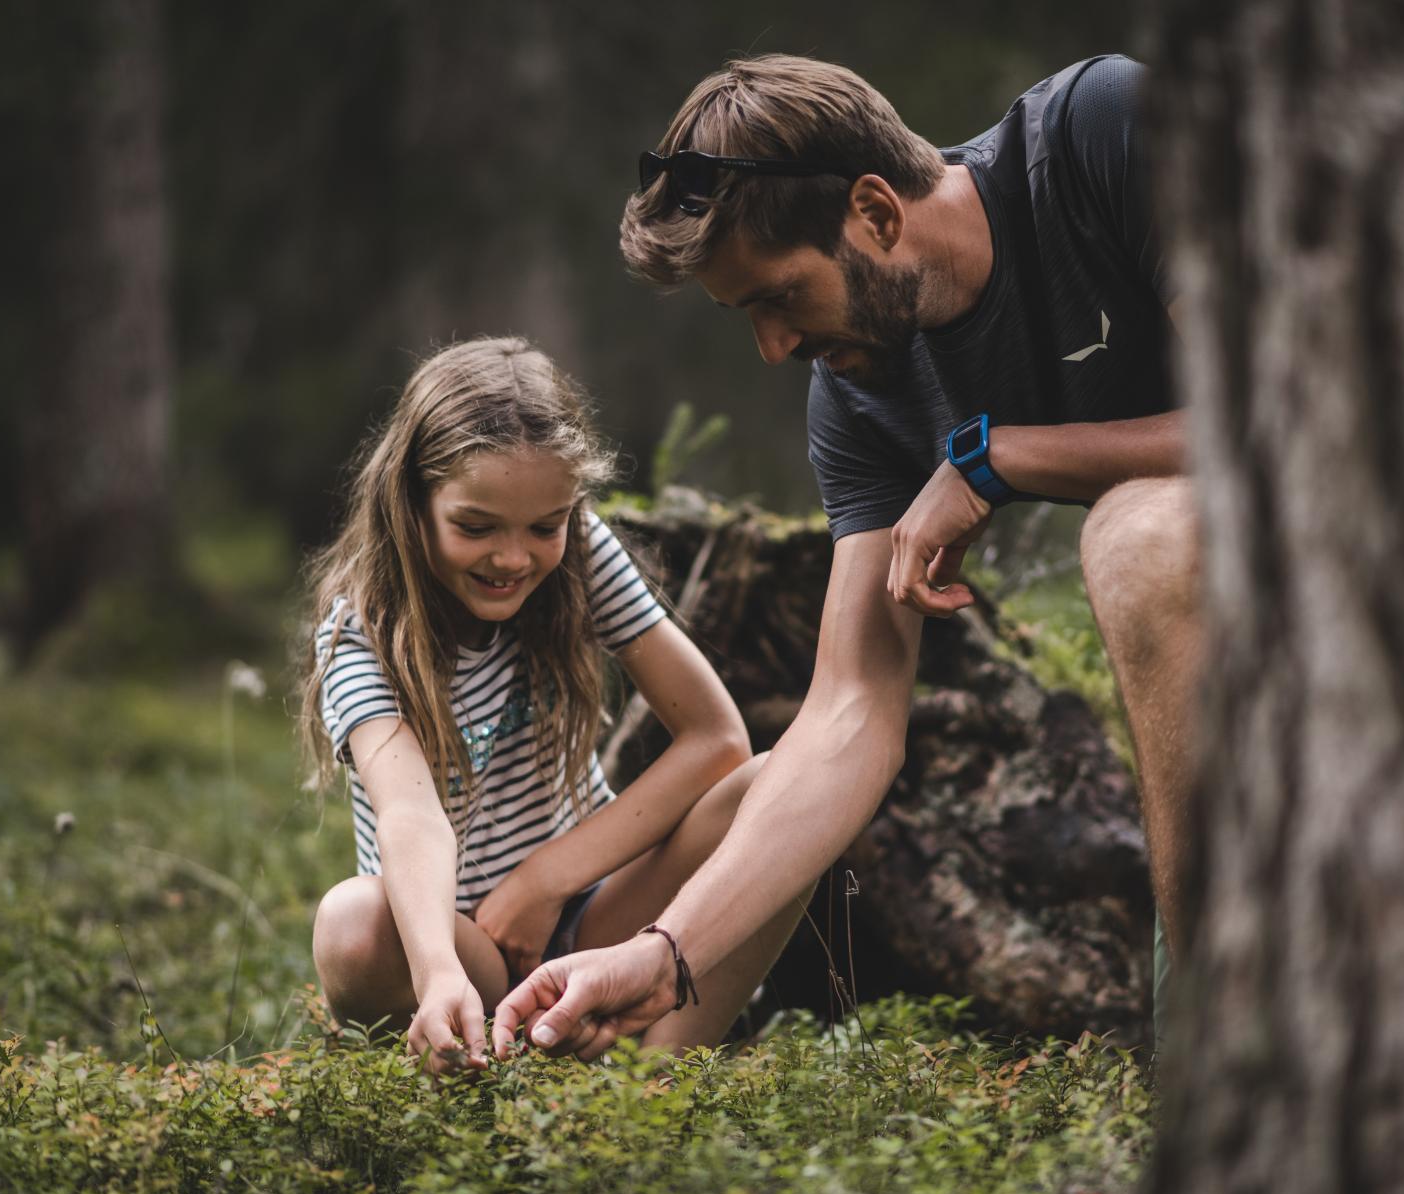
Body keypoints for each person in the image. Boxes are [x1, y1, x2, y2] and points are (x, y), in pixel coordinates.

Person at [492, 54, 1201, 1058]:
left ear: (874, 211)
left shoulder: (1101, 135)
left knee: (1138, 537)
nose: (773, 348)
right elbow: (849, 713)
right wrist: (665, 949)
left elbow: (1293, 415)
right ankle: (1227, 1071)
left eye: (778, 297)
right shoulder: (860, 395)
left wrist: (997, 457)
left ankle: (1224, 1031)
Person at [298, 336, 802, 1072]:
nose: (514, 557)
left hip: (600, 914)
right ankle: (479, 1043)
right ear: (411, 502)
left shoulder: (581, 552)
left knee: (782, 787)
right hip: (470, 947)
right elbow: (410, 817)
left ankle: (651, 1086)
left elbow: (715, 739)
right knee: (351, 922)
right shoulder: (358, 634)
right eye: (476, 527)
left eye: (545, 526)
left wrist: (543, 881)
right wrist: (439, 967)